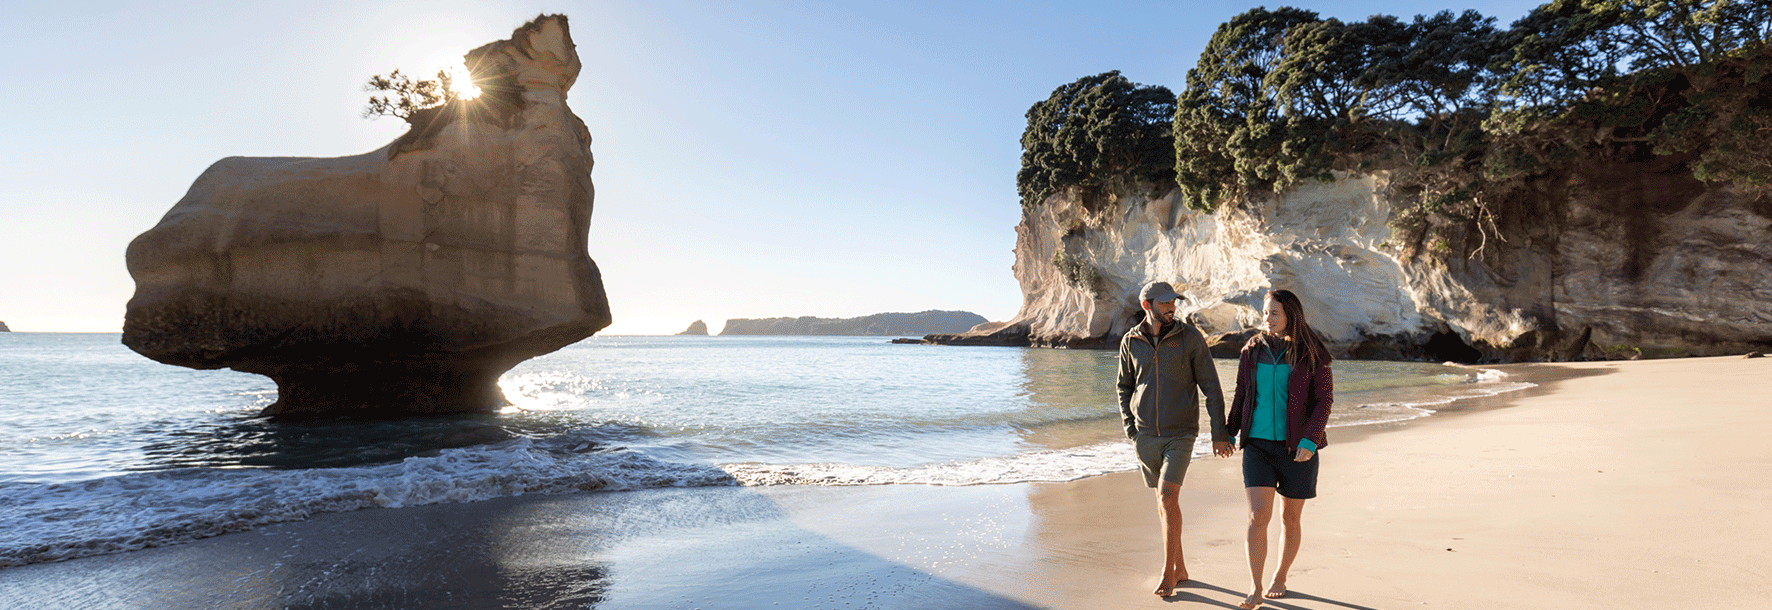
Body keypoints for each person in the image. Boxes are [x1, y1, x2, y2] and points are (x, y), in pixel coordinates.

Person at [1117, 281, 1235, 598]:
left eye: (1174, 302)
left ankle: (1168, 573)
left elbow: (1211, 386)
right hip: (1145, 436)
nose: (1172, 307)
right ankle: (1181, 567)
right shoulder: (1131, 341)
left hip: (1181, 433)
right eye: (1166, 302)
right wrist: (1131, 428)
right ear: (1148, 305)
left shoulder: (1188, 338)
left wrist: (1219, 433)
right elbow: (1124, 388)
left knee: (1168, 497)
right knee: (1164, 502)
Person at [1225, 289, 1334, 609]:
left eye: (1274, 313)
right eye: (1265, 312)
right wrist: (1228, 433)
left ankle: (1281, 576)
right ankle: (1255, 587)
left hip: (1297, 449)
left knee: (1290, 519)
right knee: (1258, 516)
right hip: (1258, 446)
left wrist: (1310, 440)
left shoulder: (1312, 351)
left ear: (1291, 316)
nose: (1266, 319)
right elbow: (1242, 393)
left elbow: (1323, 400)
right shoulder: (1252, 350)